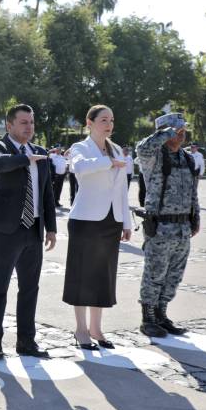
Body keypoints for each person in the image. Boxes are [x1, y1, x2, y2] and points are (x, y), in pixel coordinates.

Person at [0, 104, 57, 359]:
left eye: (32, 122)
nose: (29, 127)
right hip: (6, 231)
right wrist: (25, 159)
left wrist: (51, 227)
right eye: (24, 122)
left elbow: (47, 192)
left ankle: (27, 341)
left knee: (30, 288)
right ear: (10, 125)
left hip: (33, 229)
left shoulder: (40, 152)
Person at [63, 106, 132, 349]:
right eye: (103, 120)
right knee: (81, 275)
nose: (109, 124)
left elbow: (122, 189)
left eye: (111, 120)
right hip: (85, 220)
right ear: (89, 122)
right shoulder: (80, 148)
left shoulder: (116, 150)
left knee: (103, 276)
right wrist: (108, 163)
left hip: (111, 221)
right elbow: (80, 168)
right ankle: (81, 330)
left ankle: (96, 328)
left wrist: (126, 221)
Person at [136, 113, 200, 337]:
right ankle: (148, 318)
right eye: (176, 130)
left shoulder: (187, 158)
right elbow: (142, 148)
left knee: (174, 275)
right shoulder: (154, 157)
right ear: (164, 132)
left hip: (182, 226)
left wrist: (196, 217)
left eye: (182, 130)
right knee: (154, 274)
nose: (181, 134)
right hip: (161, 226)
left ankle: (162, 314)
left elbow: (193, 192)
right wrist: (166, 132)